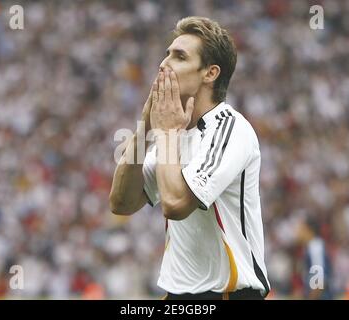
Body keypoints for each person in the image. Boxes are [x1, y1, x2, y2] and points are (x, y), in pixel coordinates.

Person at [109, 16, 270, 300]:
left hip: (228, 294)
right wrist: (146, 125)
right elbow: (121, 203)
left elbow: (175, 205)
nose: (163, 63)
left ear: (210, 73)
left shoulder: (231, 129)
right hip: (177, 295)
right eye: (167, 53)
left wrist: (166, 134)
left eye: (179, 56)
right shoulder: (172, 132)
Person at [297, 216, 334, 300]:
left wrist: (311, 297)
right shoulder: (310, 246)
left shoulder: (315, 247)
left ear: (308, 229)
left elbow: (319, 280)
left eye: (301, 228)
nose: (298, 231)